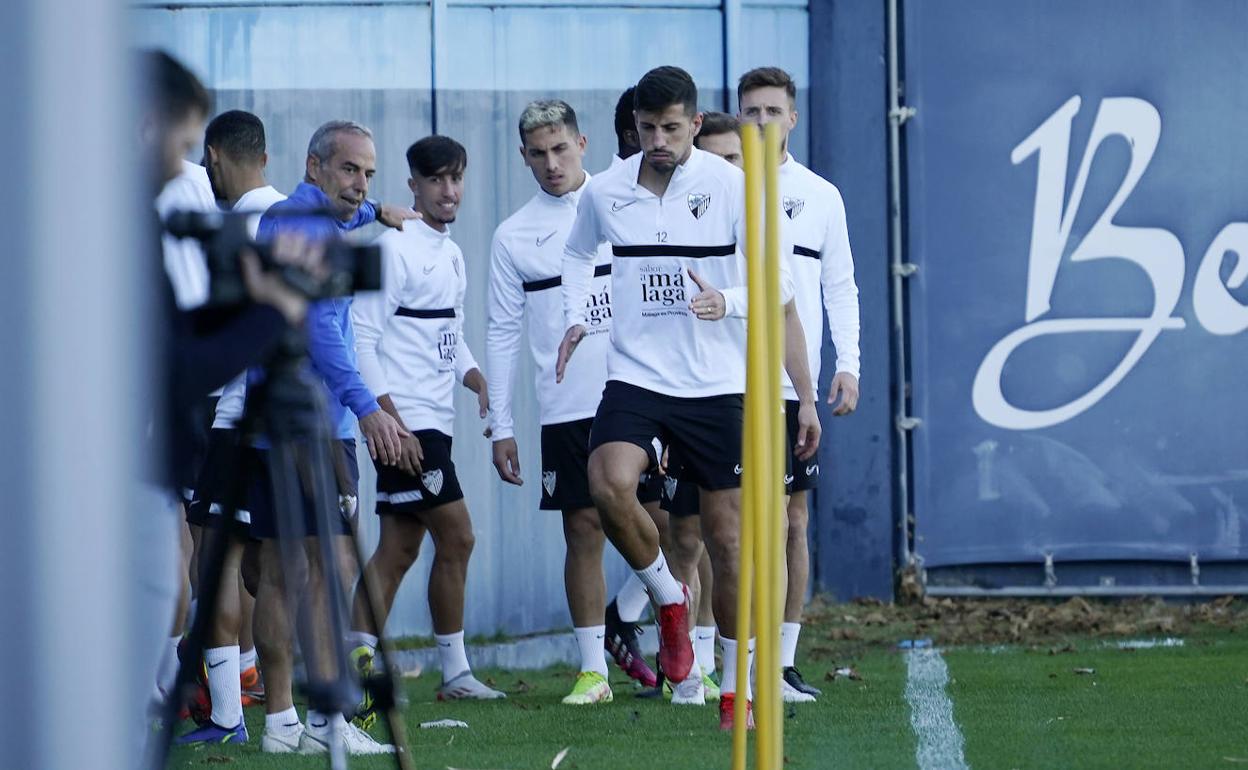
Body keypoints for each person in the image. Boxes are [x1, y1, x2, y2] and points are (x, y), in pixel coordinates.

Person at [557, 66, 820, 729]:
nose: (659, 140)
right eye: (647, 129)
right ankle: (668, 599)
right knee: (607, 481)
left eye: (671, 128)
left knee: (728, 543)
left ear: (695, 124)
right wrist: (575, 313)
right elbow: (577, 254)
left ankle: (735, 687)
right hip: (638, 374)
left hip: (715, 383)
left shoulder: (733, 186)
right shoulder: (609, 190)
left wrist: (724, 300)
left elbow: (779, 282)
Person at [137, 48, 317, 764]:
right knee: (228, 567)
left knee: (246, 565)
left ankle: (241, 704)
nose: (187, 169)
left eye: (193, 153)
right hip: (179, 443)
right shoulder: (140, 220)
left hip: (223, 431)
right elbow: (180, 358)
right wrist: (271, 313)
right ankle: (243, 705)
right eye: (181, 147)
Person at [486, 100, 670, 705]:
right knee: (583, 530)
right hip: (566, 406)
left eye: (560, 149)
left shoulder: (627, 202)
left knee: (673, 524)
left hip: (644, 393)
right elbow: (503, 331)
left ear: (583, 143)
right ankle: (593, 671)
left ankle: (674, 643)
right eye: (538, 153)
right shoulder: (513, 234)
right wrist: (501, 426)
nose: (551, 163)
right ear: (523, 157)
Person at [248, 119, 416, 756]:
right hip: (312, 423)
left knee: (295, 567)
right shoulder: (305, 224)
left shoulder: (309, 215)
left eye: (369, 173)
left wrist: (379, 208)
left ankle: (289, 722)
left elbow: (351, 212)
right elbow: (322, 331)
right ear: (314, 166)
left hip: (298, 421)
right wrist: (369, 408)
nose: (360, 184)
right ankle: (313, 721)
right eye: (350, 170)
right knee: (316, 567)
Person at [348, 134, 502, 720]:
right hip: (407, 425)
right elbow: (360, 339)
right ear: (412, 185)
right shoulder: (393, 249)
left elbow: (448, 331)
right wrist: (389, 420)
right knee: (458, 536)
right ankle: (455, 671)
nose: (448, 190)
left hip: (435, 419)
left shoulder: (451, 251)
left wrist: (476, 378)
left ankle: (356, 662)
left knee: (400, 547)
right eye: (435, 180)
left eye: (455, 178)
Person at [738, 66, 861, 702]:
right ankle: (720, 660)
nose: (760, 122)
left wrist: (849, 364)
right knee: (721, 525)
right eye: (749, 111)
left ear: (792, 118)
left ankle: (781, 663)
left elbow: (840, 283)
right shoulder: (719, 188)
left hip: (794, 386)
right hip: (723, 384)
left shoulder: (820, 195)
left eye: (771, 111)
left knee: (791, 520)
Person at [176, 109, 288, 744]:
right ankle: (280, 711)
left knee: (215, 561)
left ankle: (228, 716)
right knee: (265, 568)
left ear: (214, 156)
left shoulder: (230, 226)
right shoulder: (296, 214)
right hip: (281, 421)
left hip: (230, 417)